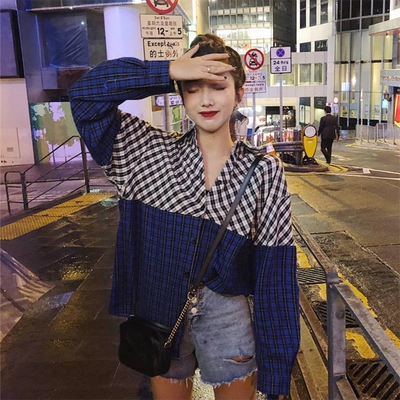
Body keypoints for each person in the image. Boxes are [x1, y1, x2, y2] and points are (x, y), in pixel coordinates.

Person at [69, 33, 299, 400]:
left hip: (228, 315)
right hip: (159, 309)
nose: (206, 99)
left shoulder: (263, 171)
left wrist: (277, 372)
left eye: (218, 86)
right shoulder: (145, 152)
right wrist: (167, 71)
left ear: (239, 93)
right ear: (180, 94)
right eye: (192, 88)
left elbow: (276, 276)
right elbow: (84, 96)